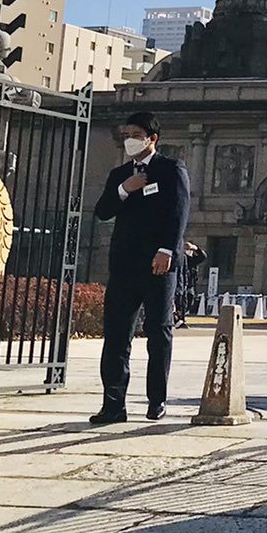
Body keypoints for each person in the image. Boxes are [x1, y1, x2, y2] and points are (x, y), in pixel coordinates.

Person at [91, 112, 190, 424]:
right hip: (124, 265)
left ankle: (156, 400)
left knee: (158, 332)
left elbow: (179, 212)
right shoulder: (120, 174)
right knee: (117, 335)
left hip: (159, 264)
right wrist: (125, 189)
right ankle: (113, 405)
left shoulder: (170, 169)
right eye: (126, 135)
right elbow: (103, 211)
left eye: (136, 135)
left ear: (152, 139)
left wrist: (166, 250)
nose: (129, 140)